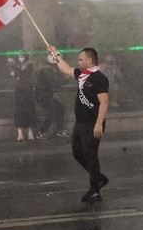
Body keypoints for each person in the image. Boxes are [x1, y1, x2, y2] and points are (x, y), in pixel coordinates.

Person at [47, 45, 110, 202]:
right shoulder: (82, 74)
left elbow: (104, 102)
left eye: (80, 59)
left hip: (92, 123)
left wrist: (98, 124)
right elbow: (66, 69)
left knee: (91, 156)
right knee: (77, 153)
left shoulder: (99, 78)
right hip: (80, 122)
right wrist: (56, 55)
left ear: (89, 60)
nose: (78, 61)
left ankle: (95, 190)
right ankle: (99, 177)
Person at [36, 53, 67, 138]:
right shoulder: (46, 69)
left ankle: (59, 130)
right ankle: (42, 131)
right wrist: (66, 79)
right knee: (51, 113)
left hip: (46, 93)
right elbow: (54, 83)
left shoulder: (49, 68)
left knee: (59, 109)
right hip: (44, 94)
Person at [8, 52, 36, 141]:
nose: (20, 58)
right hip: (19, 91)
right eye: (19, 57)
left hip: (27, 91)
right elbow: (16, 75)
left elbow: (23, 75)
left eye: (22, 57)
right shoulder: (18, 66)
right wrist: (12, 68)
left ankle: (30, 132)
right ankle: (19, 133)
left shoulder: (29, 66)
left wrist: (14, 67)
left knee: (29, 110)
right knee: (18, 111)